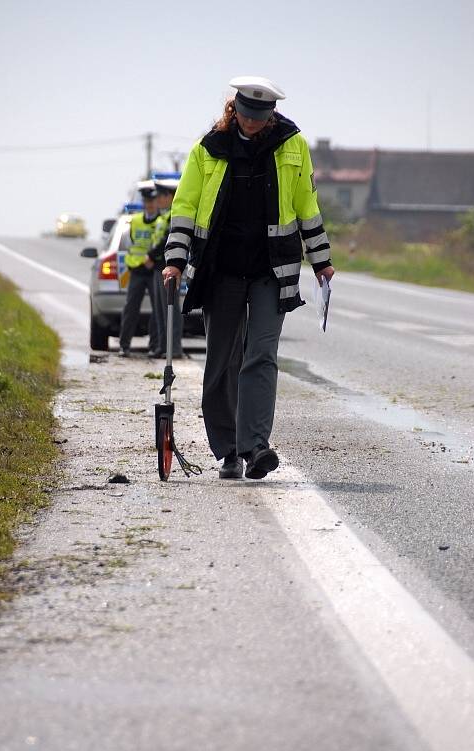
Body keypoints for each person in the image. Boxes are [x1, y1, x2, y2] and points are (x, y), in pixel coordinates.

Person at [162, 76, 334, 480]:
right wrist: (174, 259)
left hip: (272, 270)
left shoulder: (293, 145)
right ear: (233, 110)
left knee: (261, 354)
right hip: (220, 269)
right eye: (246, 114)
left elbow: (307, 207)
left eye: (261, 116)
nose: (253, 122)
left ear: (271, 113)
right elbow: (184, 208)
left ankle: (256, 446)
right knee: (222, 360)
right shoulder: (208, 149)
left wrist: (322, 259)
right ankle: (228, 450)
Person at [118, 180, 159, 357]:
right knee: (131, 308)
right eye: (147, 202)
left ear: (156, 203)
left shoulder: (161, 222)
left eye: (152, 202)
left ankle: (154, 346)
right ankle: (124, 345)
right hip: (137, 270)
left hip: (154, 270)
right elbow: (128, 245)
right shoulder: (134, 222)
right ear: (143, 203)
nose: (149, 205)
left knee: (158, 310)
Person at [147, 177, 183, 359]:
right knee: (161, 311)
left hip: (168, 267)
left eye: (161, 195)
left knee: (171, 310)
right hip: (158, 268)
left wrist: (151, 255)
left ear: (170, 196)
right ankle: (163, 346)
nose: (158, 199)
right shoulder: (163, 215)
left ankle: (174, 348)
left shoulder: (174, 215)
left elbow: (166, 241)